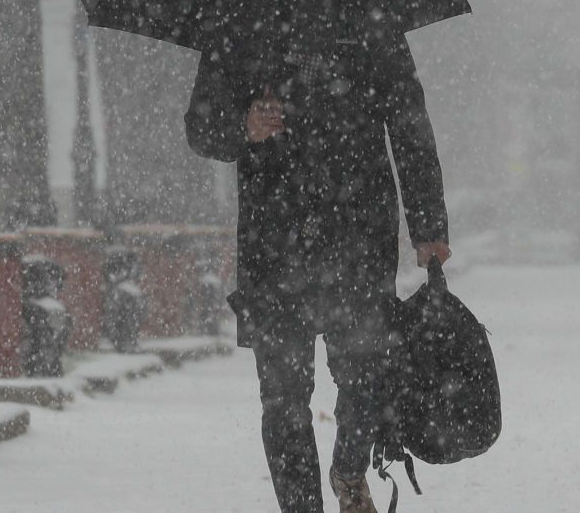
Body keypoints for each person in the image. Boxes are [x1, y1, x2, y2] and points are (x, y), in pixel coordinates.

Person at [184, 36, 452, 513]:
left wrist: (428, 225)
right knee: (284, 399)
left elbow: (409, 123)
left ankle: (349, 471)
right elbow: (201, 128)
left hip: (359, 236)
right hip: (274, 245)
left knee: (366, 381)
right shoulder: (241, 21)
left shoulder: (373, 17)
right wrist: (242, 126)